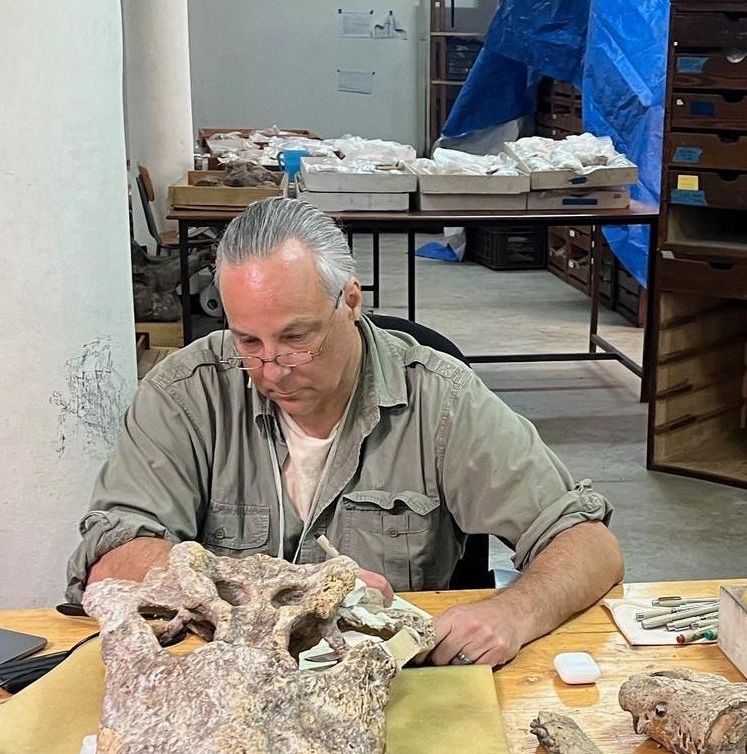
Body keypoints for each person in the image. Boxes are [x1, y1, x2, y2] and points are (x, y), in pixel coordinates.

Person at [68, 197, 623, 666]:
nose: (271, 368)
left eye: (296, 337)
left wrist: (513, 610)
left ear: (351, 302)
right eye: (248, 342)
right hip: (225, 683)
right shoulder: (187, 393)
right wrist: (264, 589)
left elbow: (587, 544)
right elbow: (113, 555)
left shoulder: (440, 399)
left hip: (386, 692)